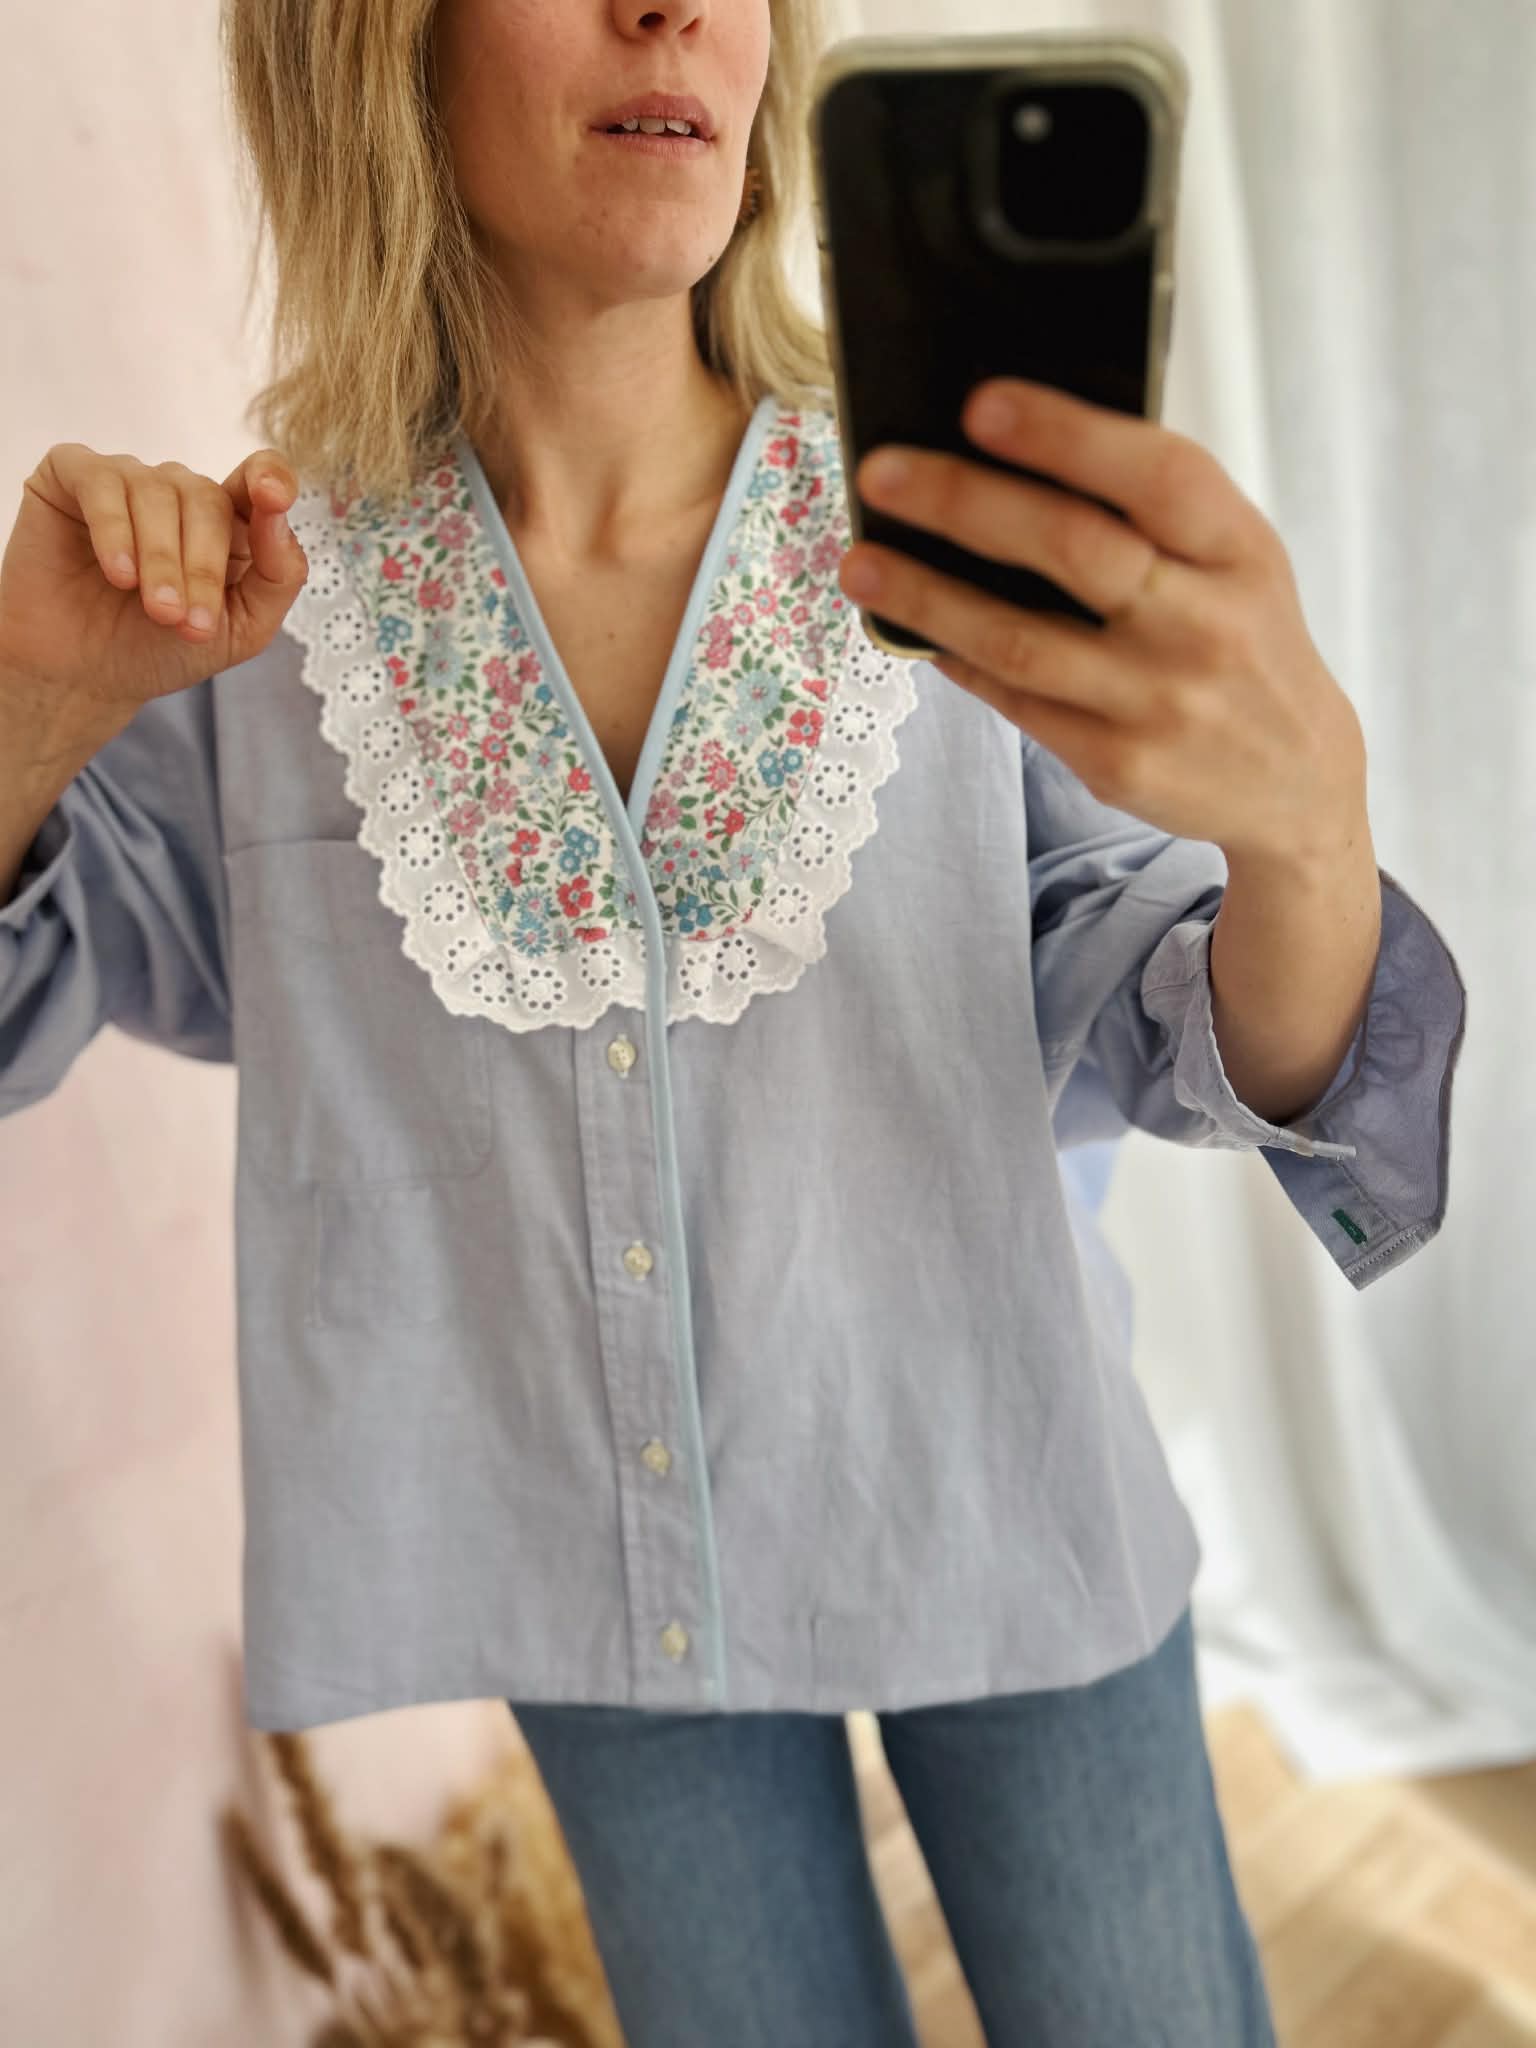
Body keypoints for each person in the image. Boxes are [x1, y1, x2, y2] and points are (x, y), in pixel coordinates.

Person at [0, 2, 1467, 2042]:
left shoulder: (947, 542)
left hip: (999, 1496)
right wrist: (30, 706)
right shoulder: (252, 613)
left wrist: (1307, 836)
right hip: (589, 1601)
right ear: (379, 41)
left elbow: (1198, 1030)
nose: (673, 10)